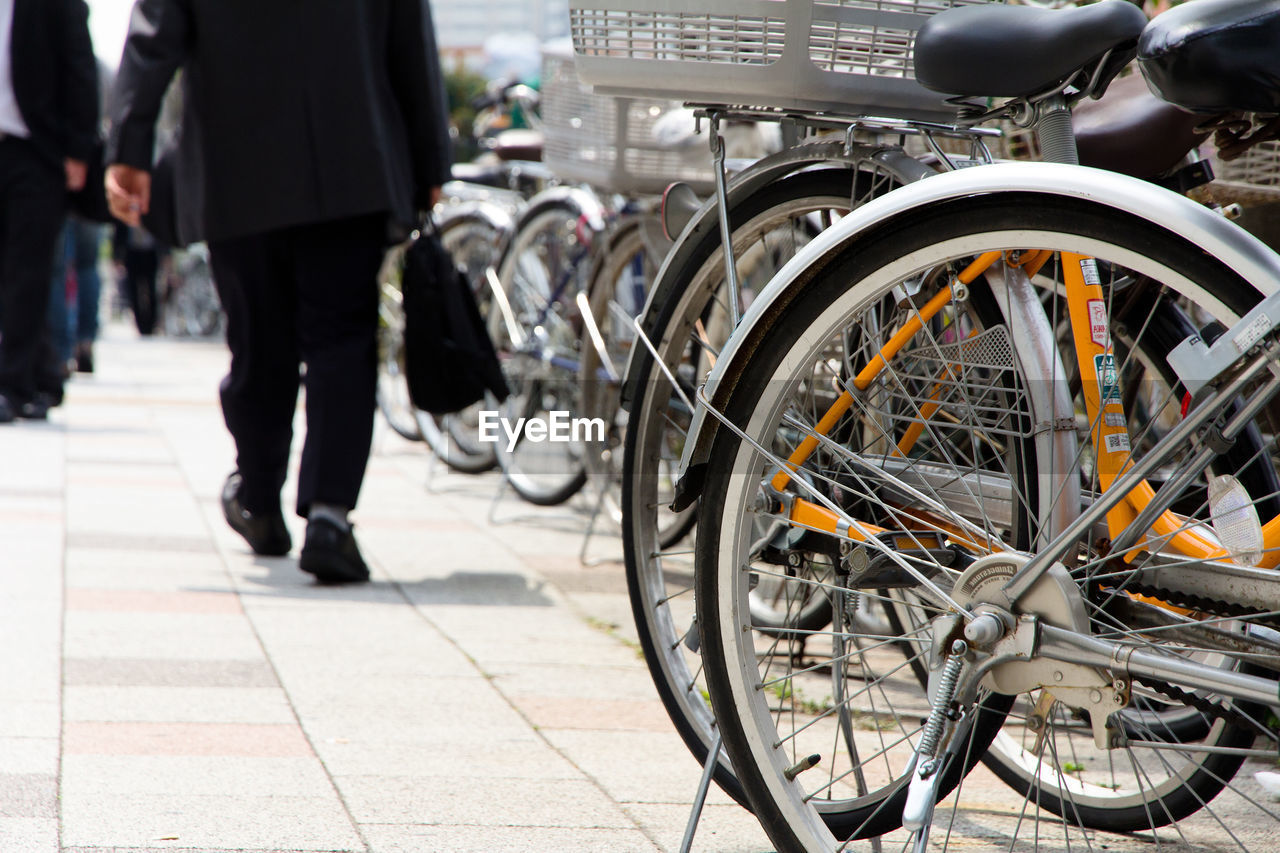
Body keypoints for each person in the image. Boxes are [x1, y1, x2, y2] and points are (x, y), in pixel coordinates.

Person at [104, 0, 452, 583]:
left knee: (258, 337)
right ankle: (329, 515)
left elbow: (154, 34)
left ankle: (260, 496)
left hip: (237, 165)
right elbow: (409, 37)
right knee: (342, 338)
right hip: (351, 156)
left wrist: (130, 148)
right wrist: (429, 163)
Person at [0, 0, 99, 422]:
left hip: (36, 150)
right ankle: (42, 372)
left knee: (29, 268)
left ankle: (11, 384)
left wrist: (79, 149)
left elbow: (80, 65)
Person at [48, 215, 105, 374]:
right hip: (90, 198)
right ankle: (85, 344)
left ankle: (61, 355)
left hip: (56, 196)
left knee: (56, 271)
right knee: (87, 266)